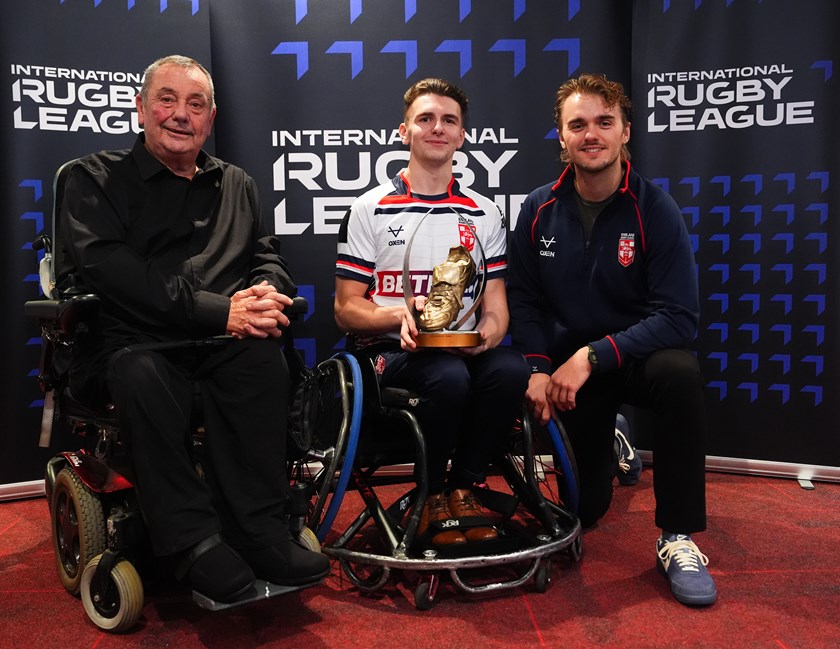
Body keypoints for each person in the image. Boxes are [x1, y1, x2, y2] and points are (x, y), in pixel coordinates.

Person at [59, 55, 329, 603]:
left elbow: (264, 254)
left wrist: (266, 291)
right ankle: (193, 543)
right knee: (141, 372)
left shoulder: (238, 185)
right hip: (134, 341)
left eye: (196, 104)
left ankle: (258, 532)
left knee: (262, 358)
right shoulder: (92, 179)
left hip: (222, 342)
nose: (180, 114)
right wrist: (217, 310)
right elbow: (115, 273)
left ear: (211, 118)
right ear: (140, 109)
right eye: (167, 99)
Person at [507, 73, 717, 606]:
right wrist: (535, 367)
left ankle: (678, 536)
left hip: (627, 359)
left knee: (679, 373)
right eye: (577, 124)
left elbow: (679, 318)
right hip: (572, 377)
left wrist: (593, 355)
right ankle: (613, 438)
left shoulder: (655, 209)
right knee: (586, 515)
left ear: (626, 132)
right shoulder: (536, 211)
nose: (591, 134)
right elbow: (524, 303)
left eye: (604, 122)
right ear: (561, 137)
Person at [335, 78, 530, 548]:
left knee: (508, 368)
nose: (437, 128)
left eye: (449, 120)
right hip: (389, 351)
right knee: (449, 376)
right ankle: (431, 496)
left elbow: (497, 305)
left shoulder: (483, 212)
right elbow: (345, 309)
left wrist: (489, 331)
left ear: (461, 136)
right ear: (405, 131)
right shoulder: (370, 208)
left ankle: (463, 491)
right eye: (425, 119)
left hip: (459, 349)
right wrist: (395, 316)